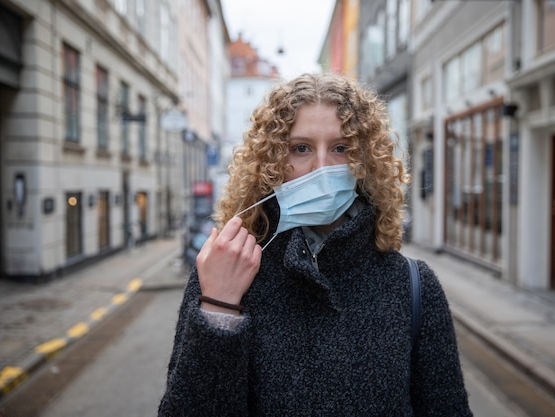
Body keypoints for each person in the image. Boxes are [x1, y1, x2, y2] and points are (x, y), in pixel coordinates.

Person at [158, 72, 472, 416]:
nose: (321, 167)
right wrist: (219, 309)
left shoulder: (413, 285)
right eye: (301, 148)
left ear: (364, 162)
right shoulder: (225, 272)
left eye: (341, 148)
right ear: (273, 161)